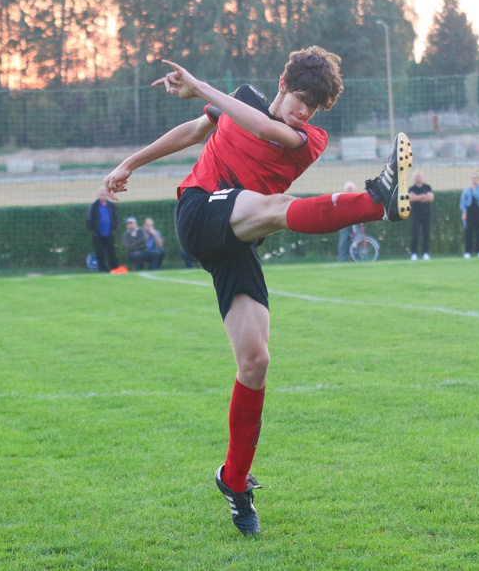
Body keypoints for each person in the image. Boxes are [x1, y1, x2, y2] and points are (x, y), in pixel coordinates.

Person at [102, 47, 412, 536]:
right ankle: (377, 200)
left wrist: (202, 86)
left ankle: (235, 480)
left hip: (236, 237)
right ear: (284, 84)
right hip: (201, 211)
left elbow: (269, 130)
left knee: (256, 362)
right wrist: (130, 163)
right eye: (301, 98)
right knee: (274, 206)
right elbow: (194, 131)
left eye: (315, 106)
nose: (305, 111)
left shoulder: (309, 137)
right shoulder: (239, 98)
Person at [86, 187, 118, 272]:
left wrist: (114, 227)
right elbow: (89, 219)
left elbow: (115, 218)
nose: (103, 196)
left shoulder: (111, 205)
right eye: (101, 194)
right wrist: (93, 230)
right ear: (98, 196)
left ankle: (114, 268)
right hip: (98, 234)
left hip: (109, 233)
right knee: (100, 252)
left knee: (111, 251)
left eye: (104, 194)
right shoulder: (94, 206)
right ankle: (102, 268)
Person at [460, 172, 479, 259]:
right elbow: (463, 201)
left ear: (478, 180)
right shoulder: (466, 190)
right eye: (473, 178)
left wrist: (474, 190)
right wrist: (464, 212)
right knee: (469, 231)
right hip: (469, 212)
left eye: (476, 178)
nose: (474, 180)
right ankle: (468, 251)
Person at [408, 171, 433, 260]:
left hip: (426, 214)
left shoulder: (427, 187)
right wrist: (423, 196)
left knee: (426, 234)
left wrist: (418, 197)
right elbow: (411, 198)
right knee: (415, 234)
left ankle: (426, 253)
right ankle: (414, 253)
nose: (418, 178)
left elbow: (430, 198)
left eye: (419, 176)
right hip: (415, 215)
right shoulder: (412, 188)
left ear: (422, 177)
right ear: (414, 178)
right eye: (416, 176)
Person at [336, 181, 357, 261]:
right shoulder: (342, 198)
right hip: (344, 222)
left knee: (357, 240)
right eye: (348, 188)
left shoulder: (356, 197)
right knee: (343, 241)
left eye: (351, 188)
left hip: (355, 222)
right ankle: (342, 259)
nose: (350, 189)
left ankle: (356, 258)